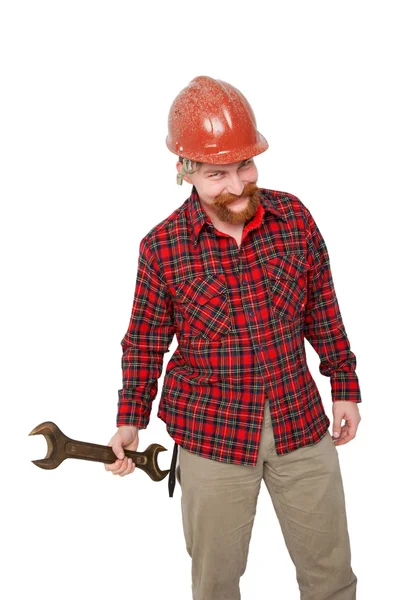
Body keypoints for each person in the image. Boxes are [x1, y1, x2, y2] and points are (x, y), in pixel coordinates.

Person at [104, 75, 361, 600]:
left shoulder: (294, 218)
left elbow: (322, 307)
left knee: (331, 577)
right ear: (185, 172)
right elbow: (146, 339)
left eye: (245, 166)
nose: (238, 185)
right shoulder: (162, 248)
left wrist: (345, 385)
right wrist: (130, 419)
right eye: (218, 174)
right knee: (215, 584)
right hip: (212, 435)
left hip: (300, 423)